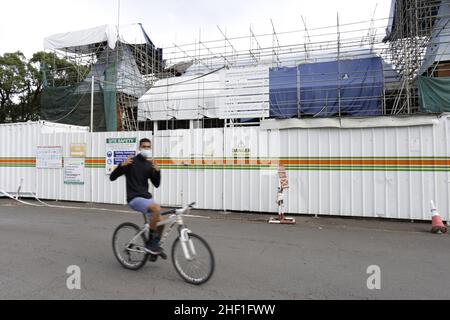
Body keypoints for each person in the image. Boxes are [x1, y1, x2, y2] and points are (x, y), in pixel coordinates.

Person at [109, 138, 166, 258]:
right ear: (139, 148)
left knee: (162, 221)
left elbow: (156, 184)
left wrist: (158, 171)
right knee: (156, 208)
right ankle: (150, 244)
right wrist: (121, 165)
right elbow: (112, 177)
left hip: (146, 198)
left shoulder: (149, 165)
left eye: (148, 147)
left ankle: (154, 246)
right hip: (134, 198)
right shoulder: (131, 162)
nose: (146, 149)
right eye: (144, 147)